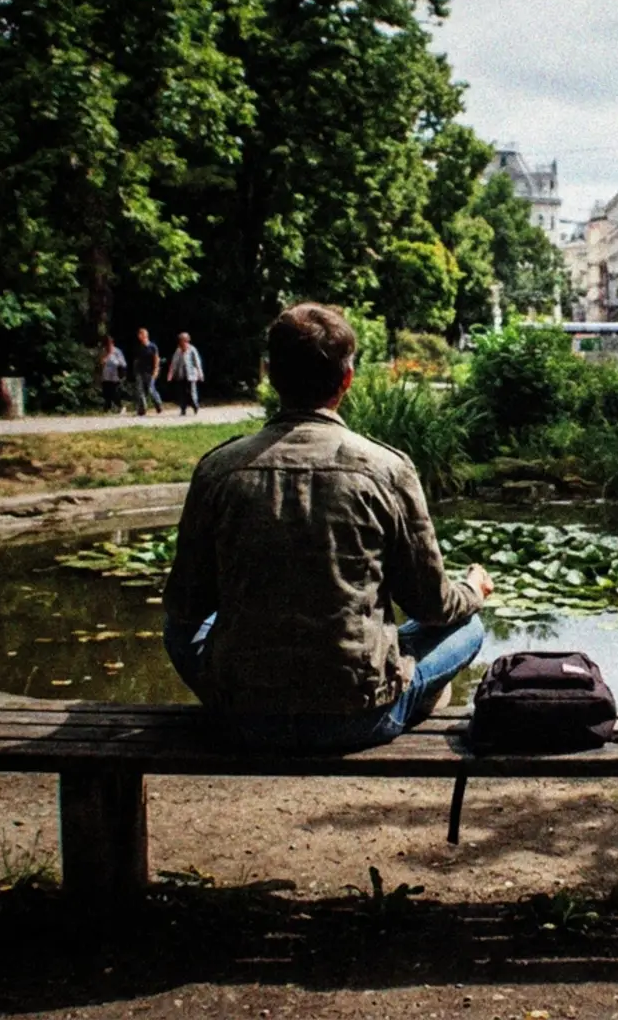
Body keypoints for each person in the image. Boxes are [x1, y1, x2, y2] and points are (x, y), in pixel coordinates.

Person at [162, 303, 495, 752]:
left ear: (269, 374)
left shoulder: (219, 469)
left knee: (178, 629)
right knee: (468, 627)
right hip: (358, 719)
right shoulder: (386, 469)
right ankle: (415, 694)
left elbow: (184, 605)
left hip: (240, 716)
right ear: (347, 380)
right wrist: (473, 588)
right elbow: (432, 606)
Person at [164, 332, 204, 415]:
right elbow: (174, 363)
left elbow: (197, 362)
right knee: (181, 393)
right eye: (181, 340)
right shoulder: (178, 350)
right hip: (180, 375)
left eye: (184, 340)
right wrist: (170, 374)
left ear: (187, 341)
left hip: (191, 375)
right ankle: (183, 409)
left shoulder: (192, 349)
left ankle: (195, 405)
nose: (183, 342)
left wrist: (200, 373)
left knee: (192, 393)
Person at [129, 327, 162, 415]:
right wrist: (135, 371)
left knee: (151, 389)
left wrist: (156, 370)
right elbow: (136, 360)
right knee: (140, 391)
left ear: (145, 335)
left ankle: (158, 403)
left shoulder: (153, 347)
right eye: (139, 335)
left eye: (141, 334)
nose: (140, 337)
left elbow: (156, 359)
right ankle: (142, 408)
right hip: (140, 371)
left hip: (150, 371)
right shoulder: (139, 347)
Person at [96, 335, 128, 413]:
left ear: (112, 343)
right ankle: (107, 408)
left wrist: (117, 364)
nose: (108, 346)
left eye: (109, 344)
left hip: (115, 376)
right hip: (105, 375)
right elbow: (101, 362)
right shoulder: (103, 351)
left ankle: (121, 407)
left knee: (114, 393)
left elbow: (123, 363)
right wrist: (106, 356)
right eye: (106, 345)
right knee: (106, 393)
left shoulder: (117, 351)